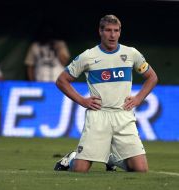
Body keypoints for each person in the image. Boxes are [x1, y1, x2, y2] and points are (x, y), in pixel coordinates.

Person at [54, 15, 158, 173]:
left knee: (140, 170)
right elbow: (62, 80)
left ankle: (111, 158)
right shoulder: (88, 56)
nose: (112, 35)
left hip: (123, 115)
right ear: (100, 32)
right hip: (98, 115)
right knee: (80, 171)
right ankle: (73, 157)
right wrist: (82, 101)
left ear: (120, 32)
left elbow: (152, 77)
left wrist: (138, 98)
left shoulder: (131, 53)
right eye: (108, 30)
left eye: (116, 31)